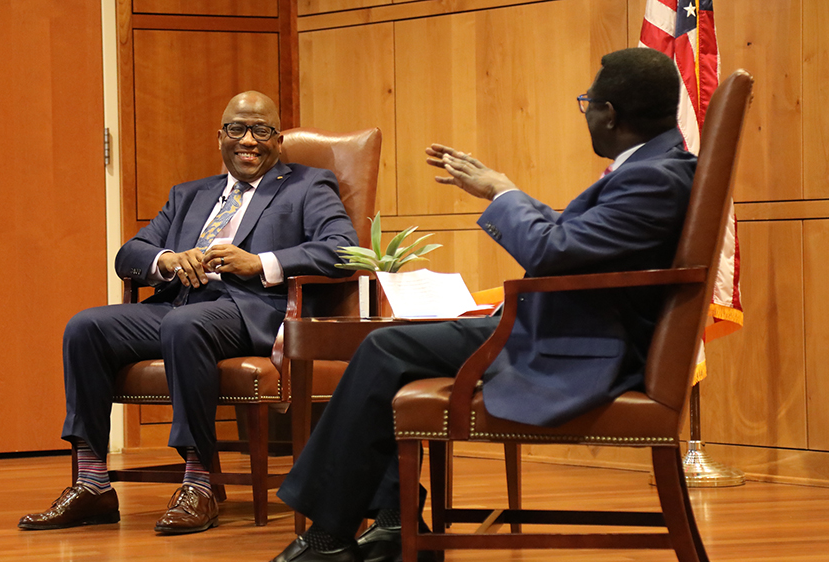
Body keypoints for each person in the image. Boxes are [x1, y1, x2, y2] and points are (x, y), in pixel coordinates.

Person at [269, 48, 697, 562]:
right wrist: (503, 190)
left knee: (385, 349)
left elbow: (554, 251)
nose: (584, 112)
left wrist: (503, 195)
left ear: (609, 113)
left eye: (587, 102)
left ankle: (329, 537)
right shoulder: (658, 167)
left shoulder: (652, 178)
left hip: (580, 347)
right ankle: (391, 521)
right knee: (392, 350)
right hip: (566, 329)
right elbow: (576, 240)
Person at [19, 91, 358, 535]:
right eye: (237, 129)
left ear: (278, 141)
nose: (248, 140)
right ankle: (92, 484)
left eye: (261, 130)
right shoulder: (189, 195)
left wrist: (260, 263)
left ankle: (199, 484)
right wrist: (170, 260)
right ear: (220, 137)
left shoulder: (308, 185)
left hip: (251, 309)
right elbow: (130, 254)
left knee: (185, 325)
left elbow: (343, 250)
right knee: (86, 327)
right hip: (179, 303)